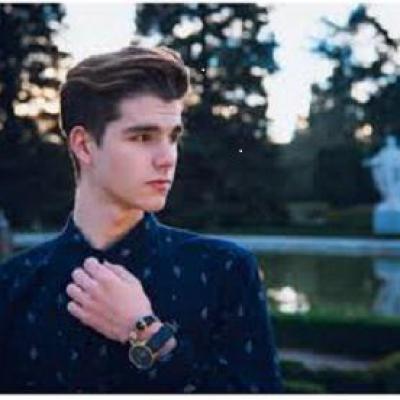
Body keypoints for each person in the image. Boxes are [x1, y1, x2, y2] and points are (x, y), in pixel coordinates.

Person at [0, 45, 283, 393]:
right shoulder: (12, 287)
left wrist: (145, 331)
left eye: (173, 137)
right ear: (84, 146)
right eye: (143, 137)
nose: (167, 158)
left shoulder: (224, 271)